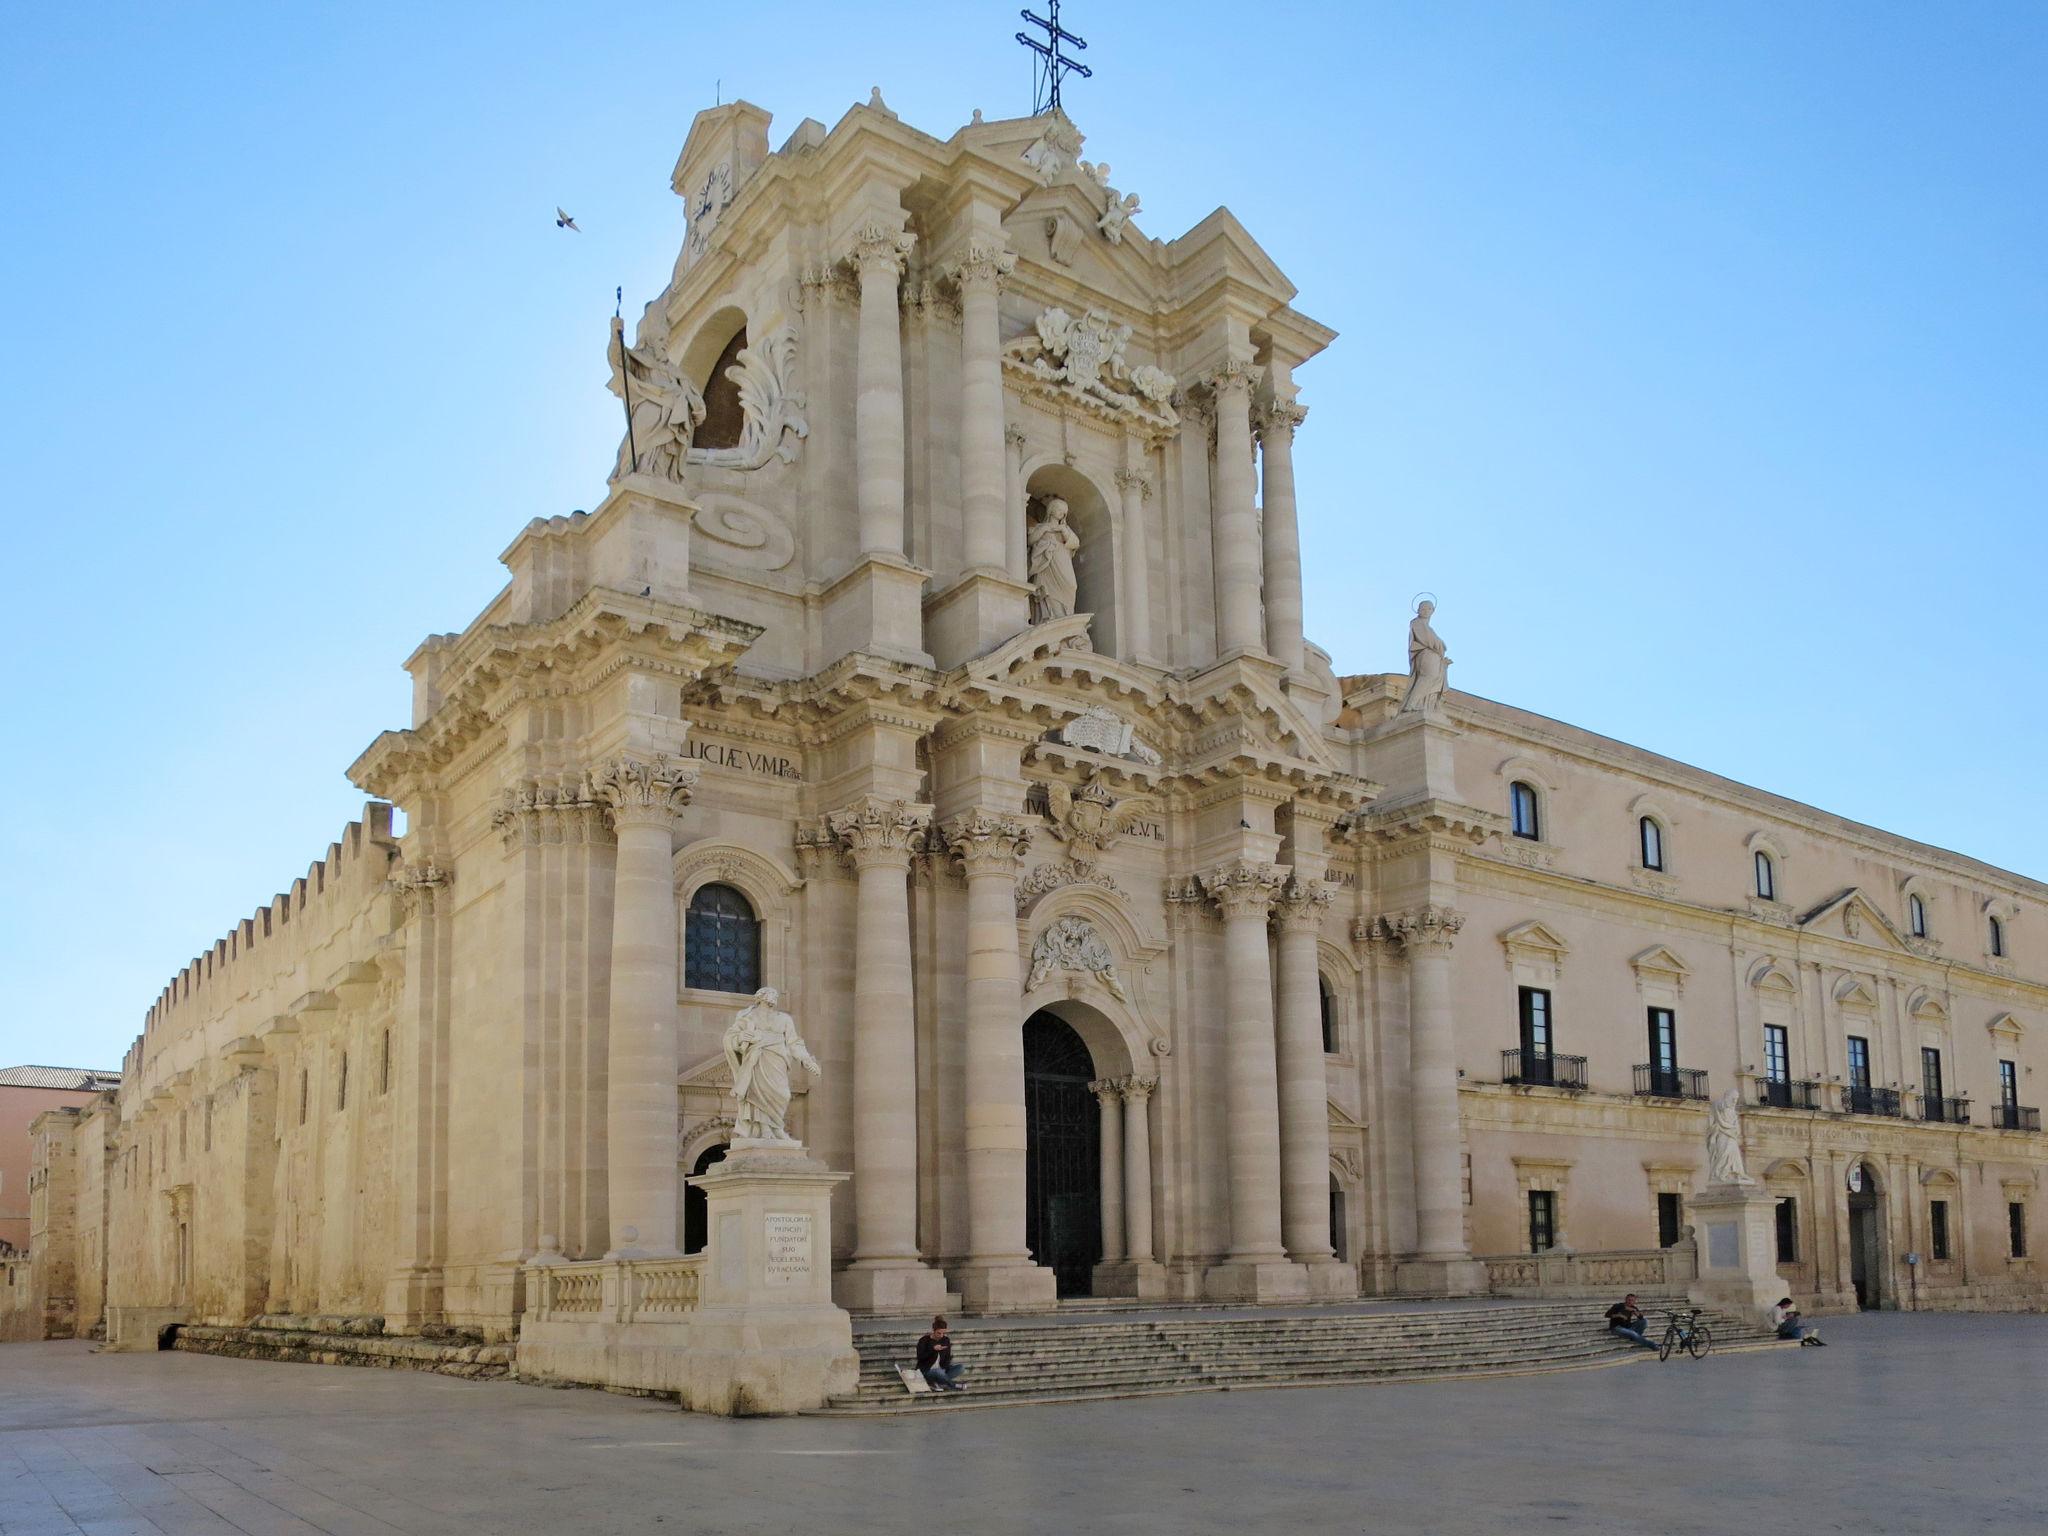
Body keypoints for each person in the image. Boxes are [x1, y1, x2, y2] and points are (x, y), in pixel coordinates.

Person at [916, 1315, 967, 1392]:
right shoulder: (924, 1340)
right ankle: (954, 1385)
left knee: (961, 1368)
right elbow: (920, 1357)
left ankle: (937, 1382)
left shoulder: (945, 1340)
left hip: (941, 1369)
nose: (941, 1335)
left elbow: (947, 1357)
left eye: (943, 1333)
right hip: (927, 1370)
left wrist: (944, 1368)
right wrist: (933, 1349)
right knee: (938, 1372)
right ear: (933, 1330)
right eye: (939, 1333)